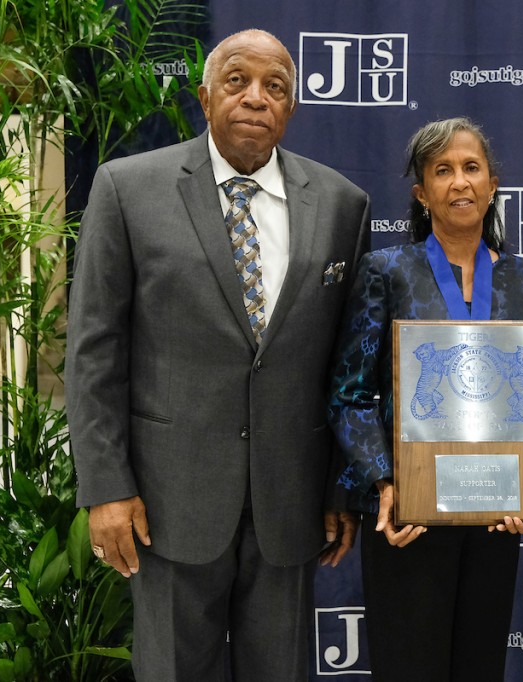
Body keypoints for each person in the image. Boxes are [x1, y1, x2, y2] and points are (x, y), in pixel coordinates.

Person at [65, 28, 371, 681]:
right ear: (205, 97)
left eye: (275, 87)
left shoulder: (344, 206)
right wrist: (107, 489)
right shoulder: (127, 189)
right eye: (237, 81)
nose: (255, 98)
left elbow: (349, 365)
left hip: (289, 505)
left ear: (291, 108)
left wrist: (341, 486)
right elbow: (93, 352)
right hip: (167, 502)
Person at [327, 117, 523, 681]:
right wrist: (385, 484)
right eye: (443, 171)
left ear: (493, 184)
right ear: (421, 193)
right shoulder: (386, 271)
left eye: (471, 168)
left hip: (498, 513)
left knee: (480, 668)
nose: (460, 182)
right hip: (409, 512)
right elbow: (350, 392)